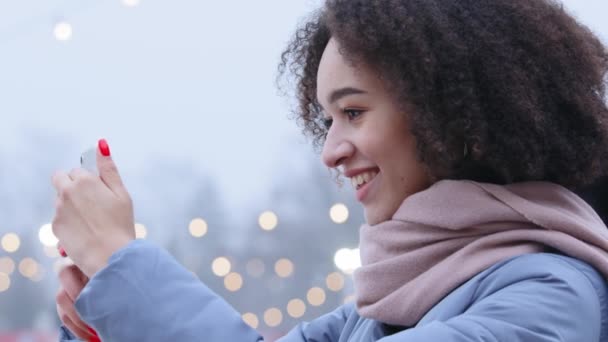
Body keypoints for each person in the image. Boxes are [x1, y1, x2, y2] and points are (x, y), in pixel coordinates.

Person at [52, 0, 608, 340]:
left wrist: (121, 264)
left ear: (453, 112)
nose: (331, 150)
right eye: (327, 120)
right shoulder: (379, 305)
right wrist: (110, 318)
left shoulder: (549, 297)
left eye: (354, 112)